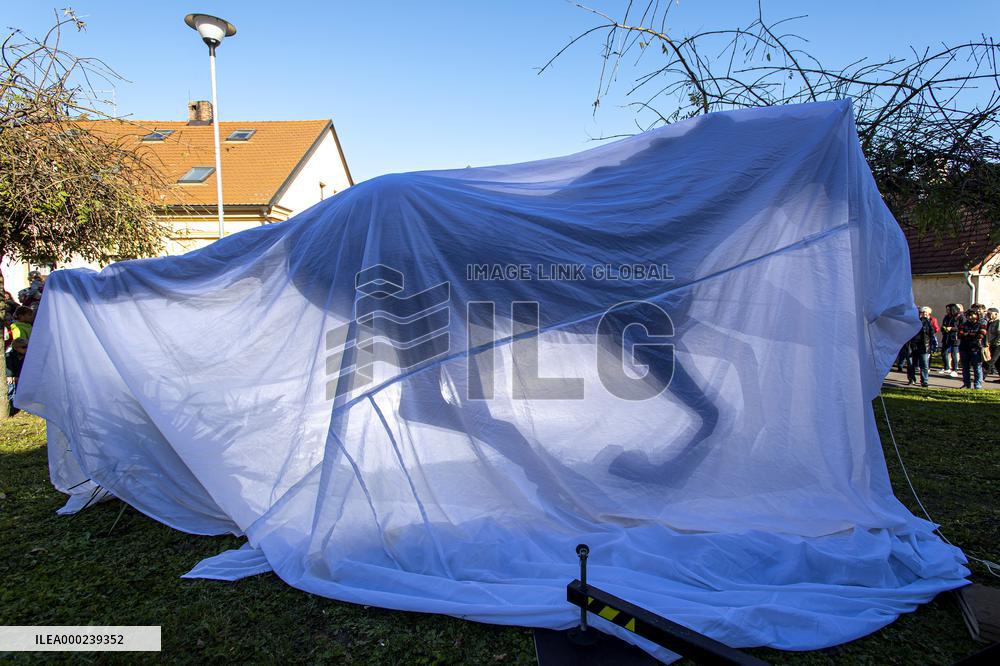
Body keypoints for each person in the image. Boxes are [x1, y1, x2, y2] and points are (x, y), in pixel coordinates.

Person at [958, 307, 987, 389]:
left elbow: (981, 335)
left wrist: (967, 334)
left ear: (976, 315)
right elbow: (960, 335)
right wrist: (971, 334)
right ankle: (966, 384)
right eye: (968, 316)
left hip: (975, 348)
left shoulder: (981, 324)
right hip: (964, 348)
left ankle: (977, 384)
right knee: (965, 367)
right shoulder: (964, 324)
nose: (969, 317)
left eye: (971, 315)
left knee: (977, 367)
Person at [906, 307, 934, 387]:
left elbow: (931, 333)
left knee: (924, 364)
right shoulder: (911, 321)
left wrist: (930, 346)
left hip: (923, 345)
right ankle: (911, 379)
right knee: (911, 364)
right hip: (911, 345)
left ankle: (924, 381)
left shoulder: (926, 321)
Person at [939, 303, 963, 377]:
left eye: (948, 309)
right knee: (944, 352)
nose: (947, 311)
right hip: (946, 337)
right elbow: (943, 325)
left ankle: (955, 369)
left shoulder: (960, 317)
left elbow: (961, 327)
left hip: (955, 337)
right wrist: (943, 328)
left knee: (954, 353)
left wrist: (951, 328)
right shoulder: (946, 317)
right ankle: (947, 367)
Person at [5, 337, 27, 416]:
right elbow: (8, 367)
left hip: (20, 378)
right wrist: (10, 376)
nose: (26, 349)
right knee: (10, 387)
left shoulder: (26, 357)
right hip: (11, 378)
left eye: (28, 346)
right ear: (16, 348)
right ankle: (11, 407)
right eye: (24, 347)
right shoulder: (9, 356)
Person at [985, 308, 1000, 379]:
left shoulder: (998, 322)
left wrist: (995, 342)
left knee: (992, 361)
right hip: (992, 344)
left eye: (990, 313)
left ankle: (982, 376)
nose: (988, 315)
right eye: (987, 313)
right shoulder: (990, 322)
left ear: (996, 314)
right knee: (997, 362)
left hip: (998, 345)